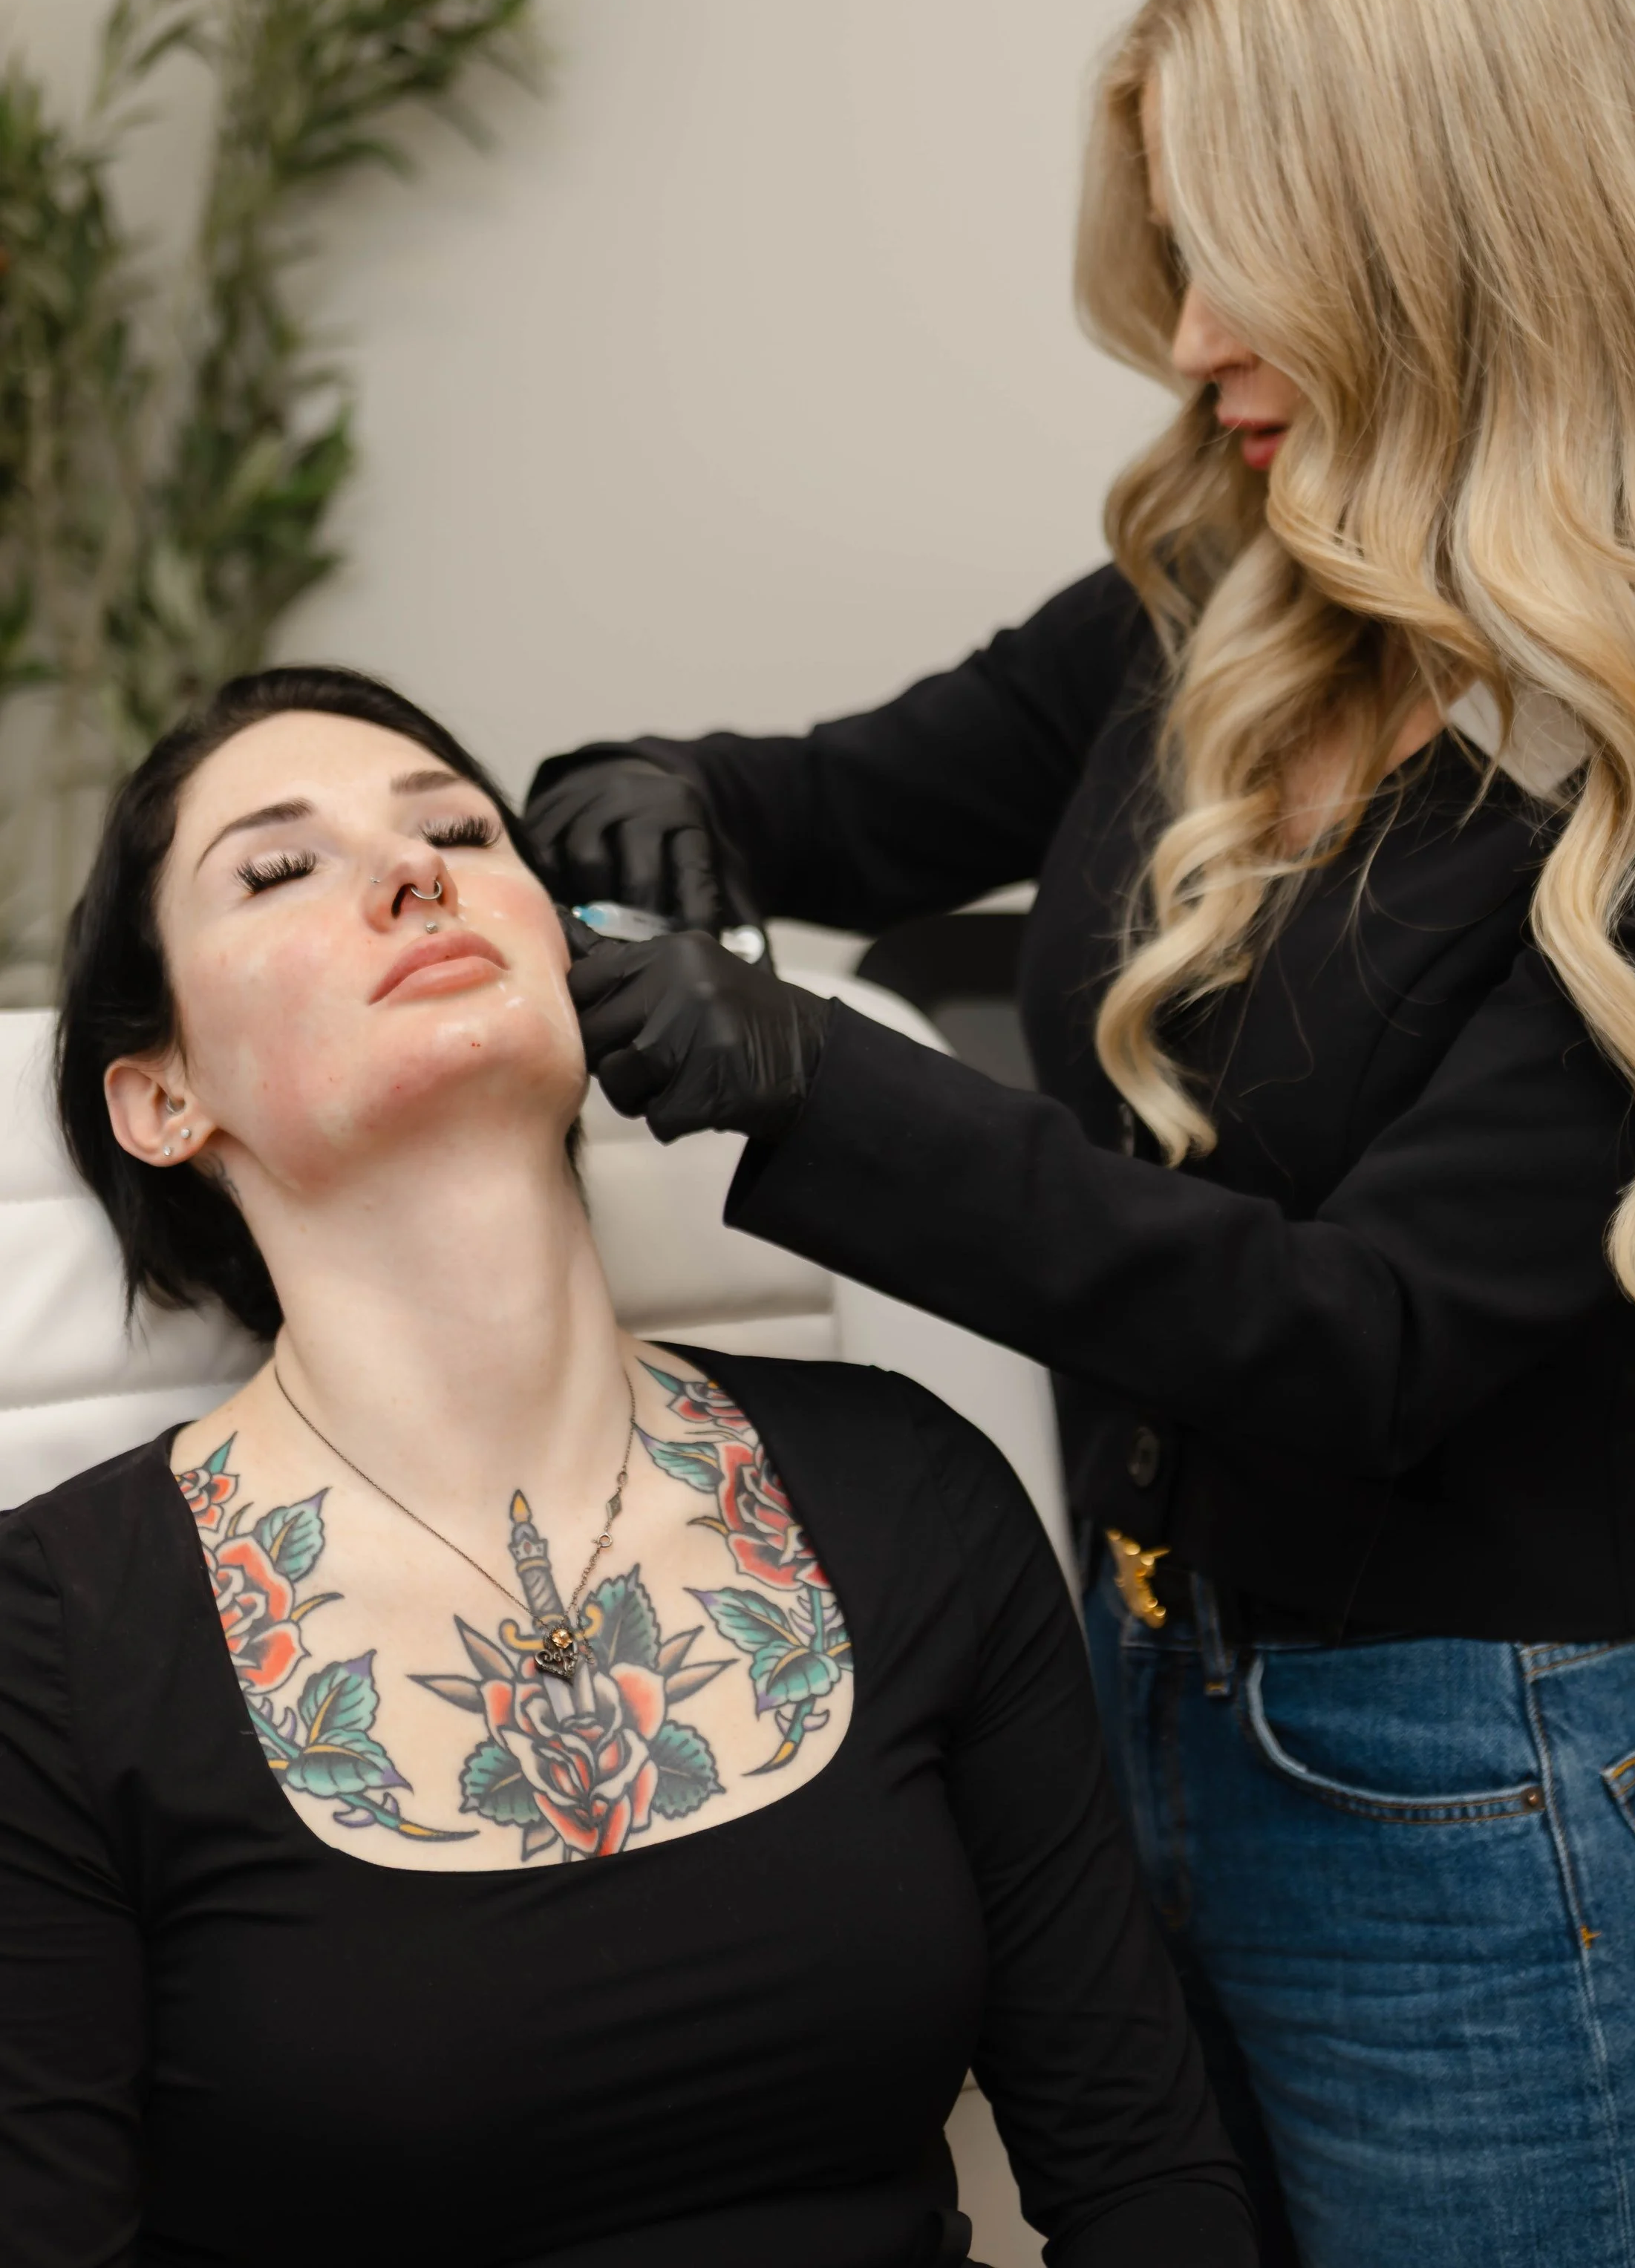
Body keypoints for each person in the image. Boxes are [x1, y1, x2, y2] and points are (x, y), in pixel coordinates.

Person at [524, 0, 1635, 2268]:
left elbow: (1364, 1342)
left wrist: (806, 1079)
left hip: (1476, 1797)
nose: (1189, 334)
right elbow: (819, 794)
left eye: (1229, 251)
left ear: (1434, 234)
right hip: (1137, 1699)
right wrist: (643, 793)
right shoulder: (1208, 592)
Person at [0, 666, 1256, 2268]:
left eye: (459, 829)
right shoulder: (46, 1642)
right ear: (161, 1096)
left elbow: (1148, 2184)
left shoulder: (909, 1491)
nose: (415, 872)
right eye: (276, 866)